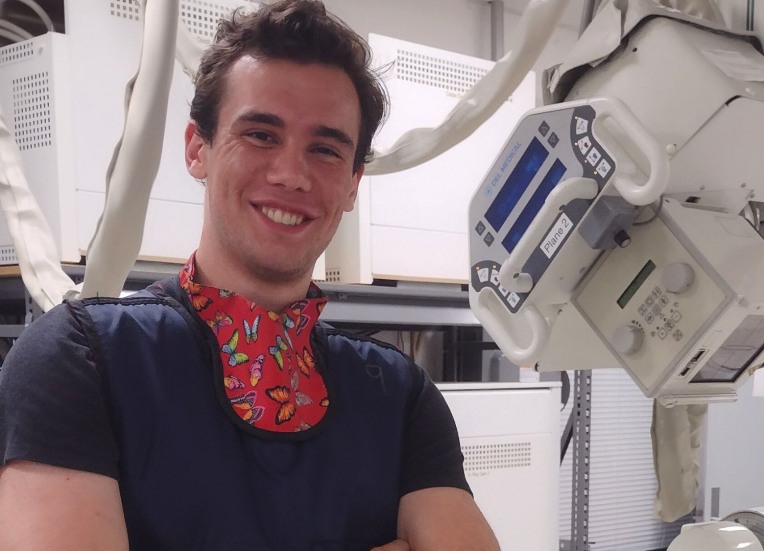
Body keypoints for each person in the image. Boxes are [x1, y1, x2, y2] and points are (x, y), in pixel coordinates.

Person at [0, 1, 500, 550]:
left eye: (326, 149)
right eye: (261, 135)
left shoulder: (397, 394)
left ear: (354, 183)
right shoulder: (83, 359)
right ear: (198, 148)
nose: (291, 174)